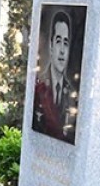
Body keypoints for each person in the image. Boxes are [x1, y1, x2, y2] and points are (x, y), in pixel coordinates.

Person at [31, 9, 78, 144]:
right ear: (51, 46)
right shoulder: (39, 83)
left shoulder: (71, 93)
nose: (62, 50)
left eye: (66, 42)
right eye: (58, 41)